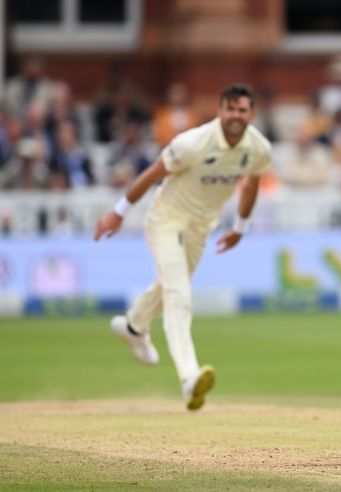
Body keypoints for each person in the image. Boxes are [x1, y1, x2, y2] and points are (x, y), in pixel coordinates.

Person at [94, 84, 272, 411]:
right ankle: (189, 378)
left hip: (201, 227)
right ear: (220, 111)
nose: (236, 115)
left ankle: (133, 326)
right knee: (179, 293)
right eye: (230, 109)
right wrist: (117, 213)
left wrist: (240, 228)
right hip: (166, 219)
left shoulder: (258, 148)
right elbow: (152, 174)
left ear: (252, 114)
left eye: (242, 110)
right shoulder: (193, 142)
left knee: (169, 285)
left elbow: (251, 186)